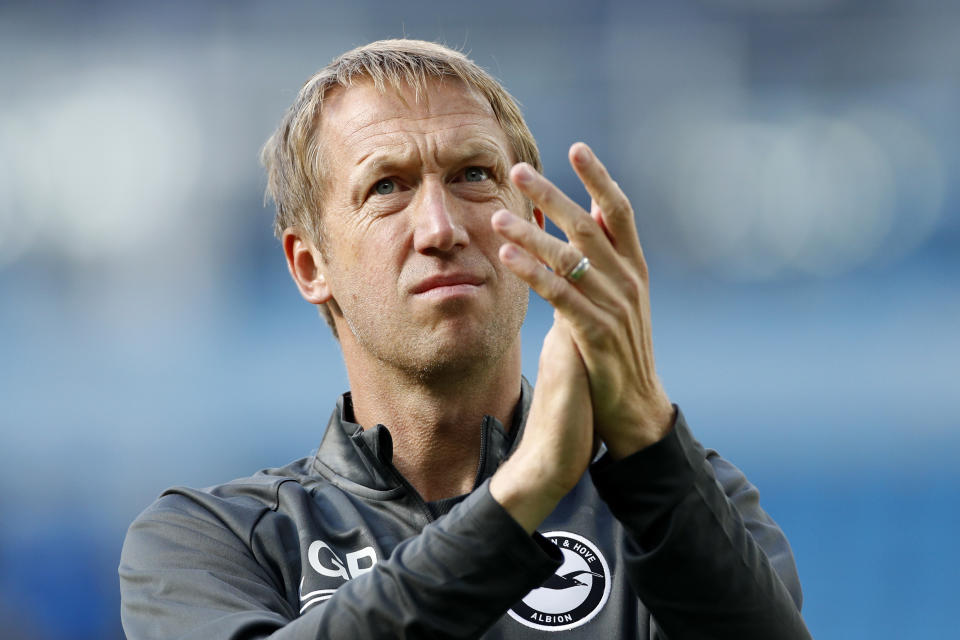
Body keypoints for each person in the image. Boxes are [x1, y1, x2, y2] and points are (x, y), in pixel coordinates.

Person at [119, 39, 811, 639]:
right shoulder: (211, 539)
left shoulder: (677, 506)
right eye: (387, 186)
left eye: (473, 176)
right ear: (311, 264)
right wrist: (527, 488)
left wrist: (649, 440)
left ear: (534, 226)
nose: (441, 227)